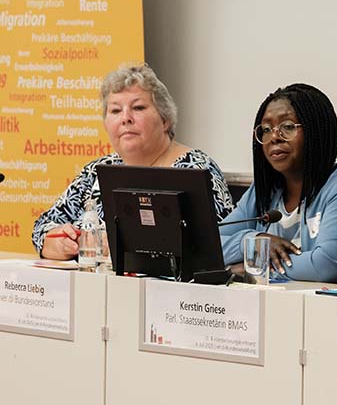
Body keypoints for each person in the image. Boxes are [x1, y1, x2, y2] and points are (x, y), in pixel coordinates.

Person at [33, 63, 234, 259]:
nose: (125, 118)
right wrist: (57, 243)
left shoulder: (196, 169)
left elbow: (220, 247)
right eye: (115, 111)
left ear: (165, 119)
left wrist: (123, 245)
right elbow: (42, 228)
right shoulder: (96, 171)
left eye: (138, 108)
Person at [220, 84, 337, 285]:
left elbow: (326, 267)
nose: (274, 137)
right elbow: (208, 246)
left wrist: (253, 269)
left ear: (316, 131)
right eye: (266, 129)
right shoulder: (264, 192)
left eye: (287, 126)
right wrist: (253, 242)